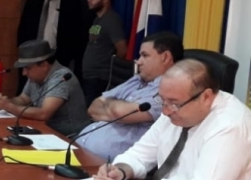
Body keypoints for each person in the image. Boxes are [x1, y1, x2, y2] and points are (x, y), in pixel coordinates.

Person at [94, 59, 251, 180]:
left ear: (206, 97)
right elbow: (139, 155)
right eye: (162, 100)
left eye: (174, 103)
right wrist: (120, 170)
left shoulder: (229, 126)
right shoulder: (176, 109)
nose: (165, 111)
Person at [77, 32, 184, 160]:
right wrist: (116, 111)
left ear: (165, 58)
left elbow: (120, 112)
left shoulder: (170, 91)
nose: (138, 62)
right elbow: (93, 108)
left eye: (145, 55)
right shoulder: (137, 80)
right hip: (79, 149)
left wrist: (111, 106)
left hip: (107, 164)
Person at [0, 40, 88, 136]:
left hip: (69, 136)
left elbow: (44, 114)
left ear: (44, 64)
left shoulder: (61, 77)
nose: (24, 73)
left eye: (27, 68)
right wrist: (6, 101)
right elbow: (23, 99)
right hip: (45, 131)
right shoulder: (36, 76)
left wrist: (9, 107)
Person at [17, 0, 86, 87]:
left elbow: (76, 33)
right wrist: (21, 47)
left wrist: (69, 55)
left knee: (53, 85)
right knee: (28, 84)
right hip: (32, 52)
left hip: (56, 54)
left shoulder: (71, 2)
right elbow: (24, 24)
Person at [82, 0, 127, 105]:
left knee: (95, 110)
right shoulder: (97, 20)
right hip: (90, 75)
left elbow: (122, 49)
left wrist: (110, 70)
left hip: (101, 77)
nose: (89, 0)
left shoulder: (112, 20)